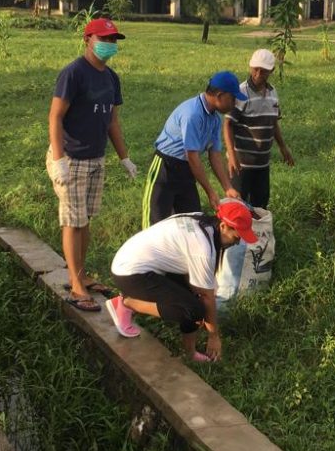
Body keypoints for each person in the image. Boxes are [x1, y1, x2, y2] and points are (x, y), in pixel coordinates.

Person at [47, 18, 139, 312]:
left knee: (85, 220)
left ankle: (82, 274)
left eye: (113, 40)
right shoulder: (74, 73)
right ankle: (75, 284)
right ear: (88, 39)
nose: (109, 45)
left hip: (96, 157)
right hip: (71, 159)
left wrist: (124, 157)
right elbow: (55, 117)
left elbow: (113, 121)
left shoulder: (111, 78)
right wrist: (59, 159)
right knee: (73, 222)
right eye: (104, 39)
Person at [107, 200, 257, 362]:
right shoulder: (204, 249)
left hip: (134, 263)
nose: (237, 242)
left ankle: (189, 353)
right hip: (131, 275)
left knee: (194, 302)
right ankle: (128, 303)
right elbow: (207, 297)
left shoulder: (201, 220)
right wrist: (214, 336)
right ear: (223, 226)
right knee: (193, 310)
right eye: (236, 237)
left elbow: (194, 279)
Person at [143, 71, 243, 228]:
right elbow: (193, 157)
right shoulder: (193, 114)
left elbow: (215, 155)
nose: (235, 103)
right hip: (165, 167)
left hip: (187, 170)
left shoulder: (215, 119)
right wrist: (210, 191)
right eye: (233, 99)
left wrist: (227, 187)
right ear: (219, 95)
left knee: (193, 222)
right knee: (155, 224)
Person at [223, 49, 295, 209]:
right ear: (250, 67)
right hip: (241, 164)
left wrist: (283, 147)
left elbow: (273, 122)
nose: (258, 74)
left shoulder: (272, 92)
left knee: (260, 204)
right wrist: (232, 155)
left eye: (263, 71)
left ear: (272, 71)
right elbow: (227, 124)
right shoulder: (241, 92)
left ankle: (255, 233)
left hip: (262, 164)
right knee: (237, 205)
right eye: (255, 69)